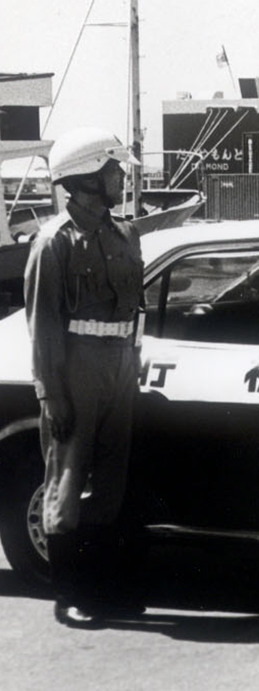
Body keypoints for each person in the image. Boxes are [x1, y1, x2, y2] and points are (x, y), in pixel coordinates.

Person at [25, 128, 145, 628]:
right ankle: (69, 594)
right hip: (75, 365)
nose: (121, 177)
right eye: (114, 170)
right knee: (68, 478)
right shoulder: (54, 242)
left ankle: (100, 587)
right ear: (90, 178)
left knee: (111, 480)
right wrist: (51, 393)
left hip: (119, 360)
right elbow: (43, 325)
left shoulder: (122, 234)